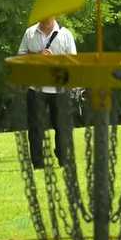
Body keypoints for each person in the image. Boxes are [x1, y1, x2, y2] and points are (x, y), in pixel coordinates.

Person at [18, 16, 77, 168]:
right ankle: (38, 163)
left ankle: (64, 159)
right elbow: (21, 58)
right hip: (35, 88)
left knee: (62, 126)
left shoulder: (66, 35)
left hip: (60, 88)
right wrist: (38, 56)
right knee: (36, 127)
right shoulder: (30, 33)